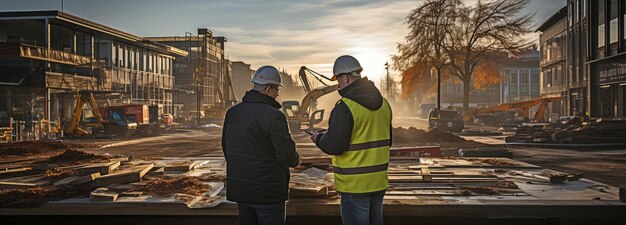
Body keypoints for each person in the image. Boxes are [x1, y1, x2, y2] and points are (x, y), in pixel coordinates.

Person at [311, 55, 392, 225]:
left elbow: (334, 145)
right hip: (378, 182)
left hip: (354, 185)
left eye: (339, 81)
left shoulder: (345, 107)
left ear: (345, 78)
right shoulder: (384, 104)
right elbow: (385, 141)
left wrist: (318, 138)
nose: (338, 85)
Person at [222, 65, 300, 225]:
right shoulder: (275, 116)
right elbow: (287, 157)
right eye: (277, 89)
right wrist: (297, 159)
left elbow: (227, 148)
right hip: (268, 193)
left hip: (241, 191)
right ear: (268, 89)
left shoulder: (233, 112)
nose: (278, 93)